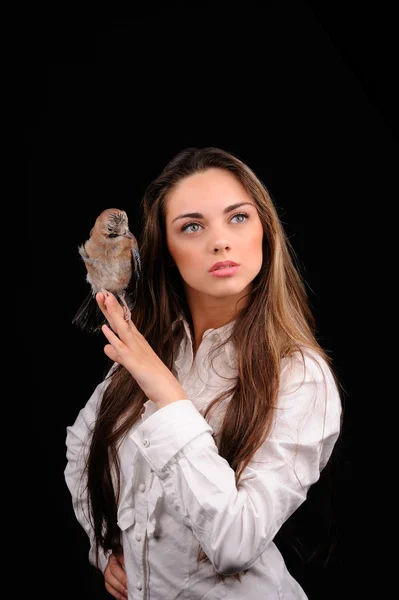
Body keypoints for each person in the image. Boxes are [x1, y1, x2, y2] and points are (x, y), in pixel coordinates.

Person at [64, 146, 342, 599]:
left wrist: (169, 397)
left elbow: (235, 543)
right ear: (164, 250)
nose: (220, 241)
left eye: (238, 218)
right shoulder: (154, 349)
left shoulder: (299, 374)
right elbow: (81, 447)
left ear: (265, 231)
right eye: (192, 226)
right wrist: (104, 546)